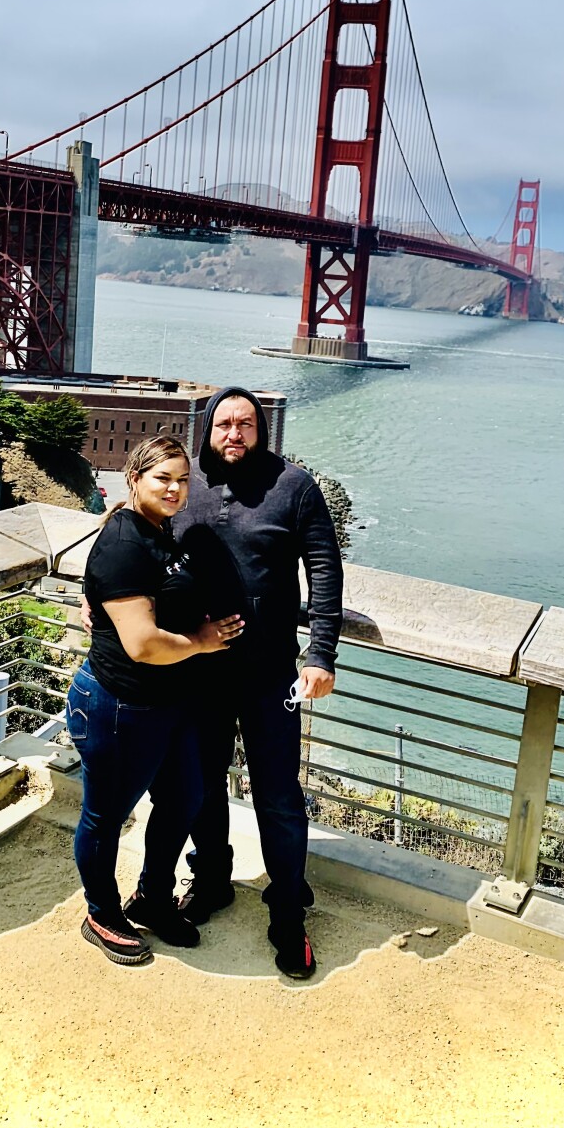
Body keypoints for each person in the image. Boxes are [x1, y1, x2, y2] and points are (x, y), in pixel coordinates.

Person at [173, 385, 342, 980]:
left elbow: (324, 566)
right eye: (224, 424)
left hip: (272, 674)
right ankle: (213, 879)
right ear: (208, 429)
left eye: (246, 424)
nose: (234, 434)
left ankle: (288, 908)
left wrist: (320, 652)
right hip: (198, 668)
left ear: (262, 431)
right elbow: (137, 538)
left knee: (278, 795)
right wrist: (103, 598)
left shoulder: (293, 485)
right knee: (201, 784)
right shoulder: (183, 481)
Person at [67, 434, 244, 966]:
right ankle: (101, 912)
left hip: (171, 703)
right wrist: (204, 641)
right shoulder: (124, 542)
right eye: (162, 477)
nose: (174, 488)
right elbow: (142, 644)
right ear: (134, 479)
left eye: (182, 479)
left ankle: (151, 897)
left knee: (183, 800)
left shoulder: (157, 529)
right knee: (106, 815)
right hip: (121, 704)